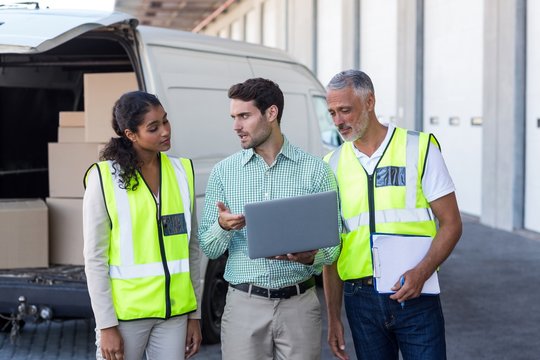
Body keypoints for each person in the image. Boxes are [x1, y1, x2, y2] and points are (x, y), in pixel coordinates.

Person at [322, 70, 462, 360]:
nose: (338, 121)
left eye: (345, 110)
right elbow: (331, 248)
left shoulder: (419, 148)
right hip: (360, 301)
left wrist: (422, 272)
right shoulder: (331, 164)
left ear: (370, 101)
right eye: (332, 112)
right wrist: (333, 317)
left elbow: (451, 223)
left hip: (416, 295)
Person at [198, 77, 340, 360]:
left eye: (244, 116)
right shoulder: (224, 173)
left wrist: (310, 257)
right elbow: (208, 247)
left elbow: (334, 245)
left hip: (299, 306)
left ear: (271, 113)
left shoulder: (315, 171)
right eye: (234, 117)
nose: (236, 126)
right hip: (243, 307)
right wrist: (223, 227)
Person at [82, 91, 202, 360]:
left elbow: (191, 250)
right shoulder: (103, 179)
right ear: (130, 134)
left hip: (174, 314)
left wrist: (195, 315)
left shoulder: (183, 172)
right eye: (153, 127)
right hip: (126, 317)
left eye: (165, 121)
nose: (165, 131)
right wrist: (106, 326)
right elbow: (95, 259)